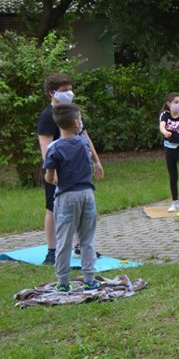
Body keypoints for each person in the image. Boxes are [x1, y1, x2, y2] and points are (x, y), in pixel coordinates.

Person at [36, 74, 104, 265]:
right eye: (65, 90)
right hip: (57, 170)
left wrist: (96, 161)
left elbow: (85, 136)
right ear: (52, 93)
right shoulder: (47, 116)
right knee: (52, 208)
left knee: (81, 207)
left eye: (70, 89)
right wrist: (53, 173)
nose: (69, 93)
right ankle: (52, 251)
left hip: (77, 169)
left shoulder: (73, 112)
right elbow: (46, 147)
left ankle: (81, 246)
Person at [41, 103, 100, 293]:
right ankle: (90, 279)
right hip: (88, 195)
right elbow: (88, 160)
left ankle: (63, 282)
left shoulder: (54, 148)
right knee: (87, 240)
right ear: (76, 122)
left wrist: (52, 178)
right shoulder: (83, 142)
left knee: (63, 240)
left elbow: (50, 177)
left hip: (66, 197)